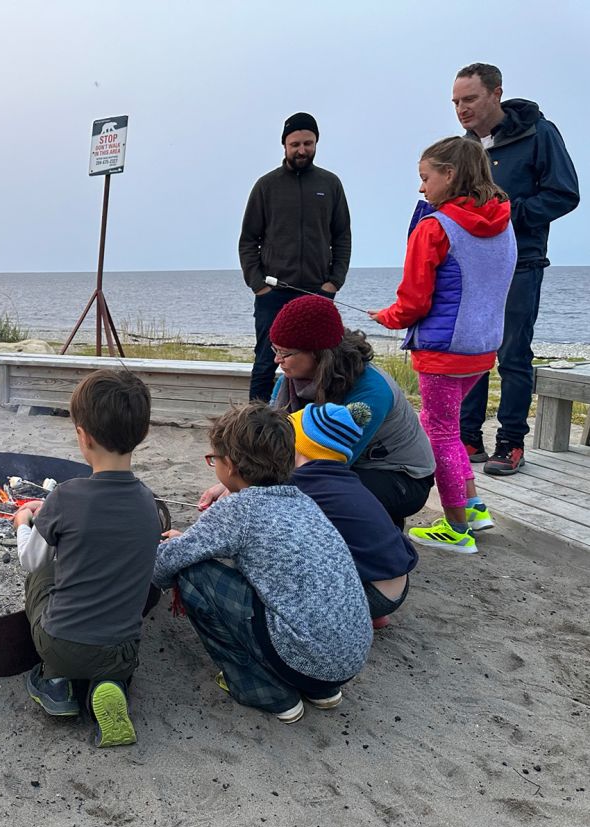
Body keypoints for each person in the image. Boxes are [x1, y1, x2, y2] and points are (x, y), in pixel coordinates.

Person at [153, 402, 372, 724]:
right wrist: (190, 541)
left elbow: (163, 567)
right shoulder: (302, 501)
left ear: (230, 466)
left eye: (213, 459)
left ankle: (265, 690)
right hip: (347, 660)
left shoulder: (238, 509)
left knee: (192, 574)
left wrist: (169, 547)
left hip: (303, 659)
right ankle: (321, 691)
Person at [371, 137, 516, 554]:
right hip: (482, 348)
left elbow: (414, 302)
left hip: (442, 350)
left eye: (425, 178)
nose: (421, 188)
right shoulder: (504, 222)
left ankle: (456, 528)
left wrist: (387, 316)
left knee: (441, 434)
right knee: (449, 429)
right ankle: (472, 507)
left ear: (449, 175)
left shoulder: (434, 227)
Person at [13, 368, 161, 748]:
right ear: (141, 435)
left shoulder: (65, 496)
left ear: (83, 435)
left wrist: (24, 522)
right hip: (122, 651)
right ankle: (110, 686)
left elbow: (32, 560)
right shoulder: (149, 505)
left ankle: (56, 685)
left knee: (41, 578)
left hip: (62, 645)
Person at [452, 62, 580, 474]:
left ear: (496, 93)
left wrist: (507, 214)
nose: (462, 109)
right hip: (473, 266)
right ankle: (468, 437)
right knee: (471, 350)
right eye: (455, 102)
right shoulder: (465, 146)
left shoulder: (538, 133)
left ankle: (510, 444)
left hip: (521, 262)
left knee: (512, 355)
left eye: (469, 99)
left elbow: (565, 194)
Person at [212, 294, 435, 529]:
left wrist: (247, 491)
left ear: (319, 353)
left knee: (315, 496)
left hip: (399, 476)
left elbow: (324, 468)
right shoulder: (291, 380)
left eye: (286, 353)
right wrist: (232, 481)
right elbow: (268, 443)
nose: (277, 359)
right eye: (275, 349)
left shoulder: (371, 391)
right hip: (349, 467)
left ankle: (378, 531)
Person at [239, 112, 352, 402]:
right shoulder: (266, 186)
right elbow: (249, 240)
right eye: (295, 144)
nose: (302, 150)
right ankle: (254, 427)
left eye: (308, 143)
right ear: (284, 145)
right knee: (266, 362)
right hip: (272, 294)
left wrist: (333, 283)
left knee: (321, 362)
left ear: (316, 143)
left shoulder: (330, 184)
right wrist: (258, 286)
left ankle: (313, 422)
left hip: (317, 293)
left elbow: (342, 237)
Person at [287, 401, 419, 629]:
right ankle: (372, 615)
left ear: (301, 444)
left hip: (370, 593)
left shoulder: (303, 482)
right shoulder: (345, 479)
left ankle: (360, 613)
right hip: (398, 584)